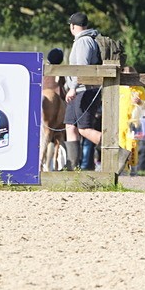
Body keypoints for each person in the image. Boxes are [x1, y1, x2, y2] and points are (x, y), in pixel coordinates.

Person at [64, 11, 103, 170]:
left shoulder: (83, 42)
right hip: (79, 90)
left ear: (72, 26)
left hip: (83, 90)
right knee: (70, 126)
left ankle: (116, 150)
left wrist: (72, 88)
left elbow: (82, 68)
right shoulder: (83, 40)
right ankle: (71, 166)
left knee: (84, 129)